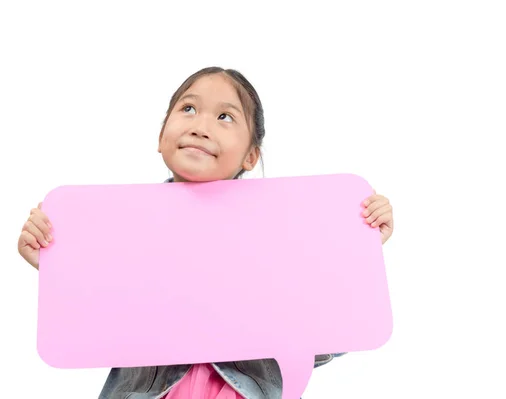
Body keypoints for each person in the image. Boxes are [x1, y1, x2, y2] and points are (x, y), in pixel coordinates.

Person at [17, 67, 395, 399]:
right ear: (161, 134)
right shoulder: (121, 233)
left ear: (251, 156)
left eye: (225, 117)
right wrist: (52, 263)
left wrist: (357, 250)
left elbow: (318, 331)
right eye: (188, 109)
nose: (200, 125)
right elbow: (100, 316)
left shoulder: (281, 237)